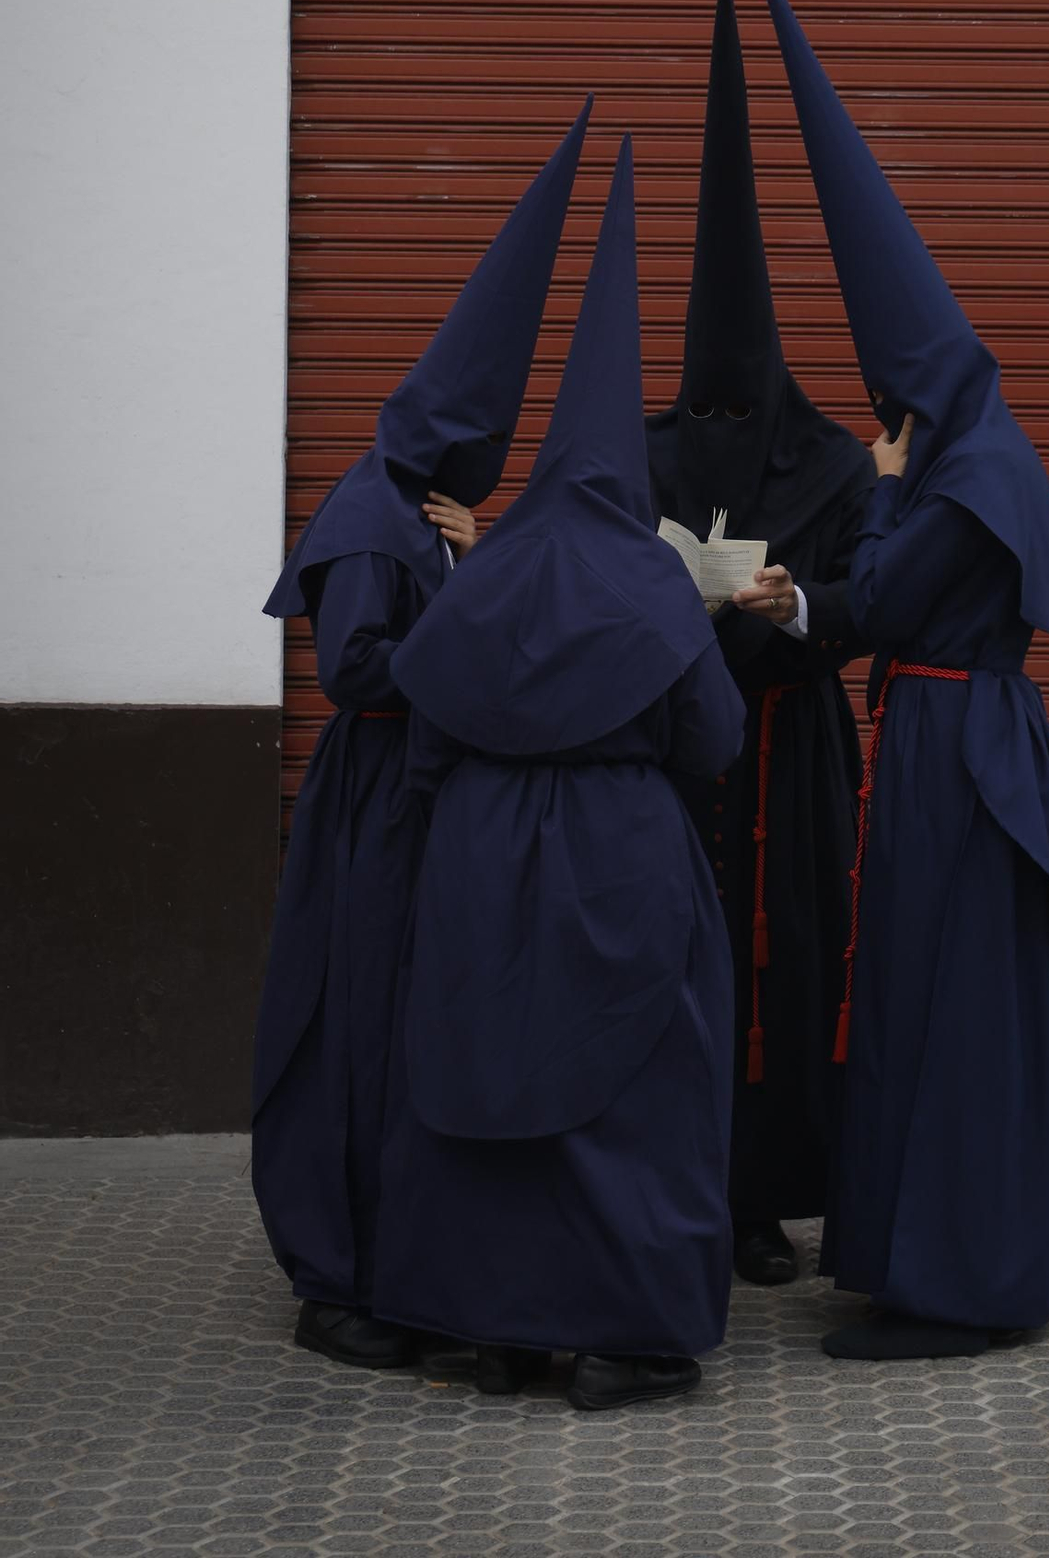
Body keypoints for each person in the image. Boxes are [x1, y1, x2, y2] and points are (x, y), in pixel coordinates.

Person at [753, 0, 1049, 1362]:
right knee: (910, 994)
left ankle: (960, 1283)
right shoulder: (977, 459)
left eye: (896, 401)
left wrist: (882, 489)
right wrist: (809, 598)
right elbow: (865, 606)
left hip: (959, 765)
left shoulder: (968, 479)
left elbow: (890, 596)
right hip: (938, 752)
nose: (884, 420)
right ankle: (913, 1257)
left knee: (950, 1008)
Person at [373, 139, 745, 1414]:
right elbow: (716, 738)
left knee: (481, 1067)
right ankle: (623, 1336)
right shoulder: (646, 575)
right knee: (636, 1085)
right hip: (619, 849)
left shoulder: (490, 568)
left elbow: (424, 732)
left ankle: (496, 1327)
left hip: (479, 848)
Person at [252, 101, 591, 1369]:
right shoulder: (363, 519)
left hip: (425, 794)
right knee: (355, 1017)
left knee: (413, 1020)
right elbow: (354, 670)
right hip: (376, 802)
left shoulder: (425, 515)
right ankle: (333, 1268)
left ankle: (402, 1245)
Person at [646, 0, 874, 1288]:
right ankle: (685, 1185)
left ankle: (782, 1191)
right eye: (709, 410)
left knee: (791, 979)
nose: (726, 434)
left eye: (747, 412)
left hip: (792, 762)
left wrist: (798, 608)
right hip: (685, 763)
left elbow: (860, 607)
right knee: (682, 965)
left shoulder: (838, 465)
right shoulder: (639, 449)